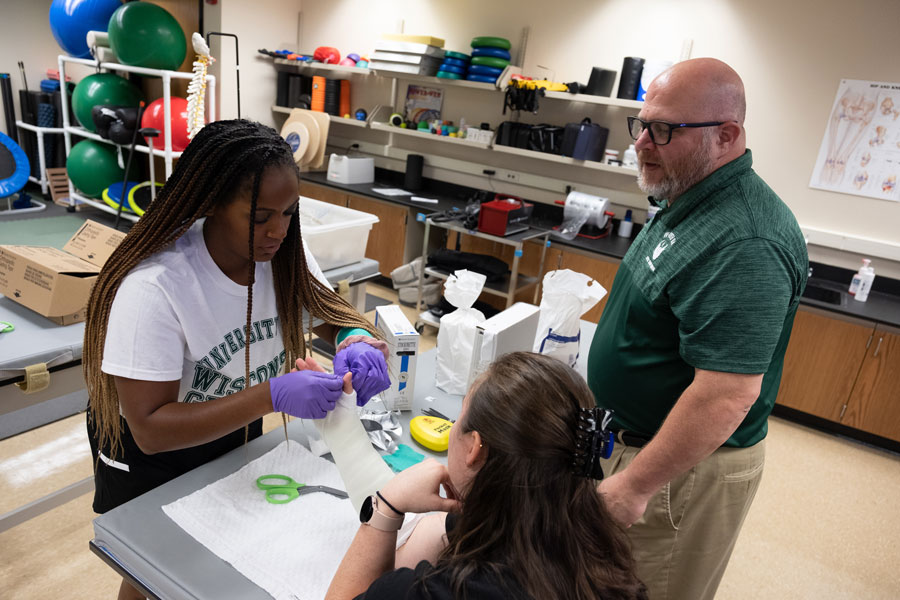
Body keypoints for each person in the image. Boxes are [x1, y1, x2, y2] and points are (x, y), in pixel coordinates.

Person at [82, 119, 390, 600]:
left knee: (215, 558)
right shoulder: (155, 288)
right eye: (260, 216)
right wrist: (270, 395)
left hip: (234, 419)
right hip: (149, 451)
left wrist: (354, 336)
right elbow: (151, 428)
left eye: (289, 212)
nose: (278, 230)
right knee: (150, 567)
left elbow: (325, 307)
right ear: (211, 204)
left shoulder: (283, 250)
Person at [586, 58, 809, 600]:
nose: (642, 143)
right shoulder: (685, 197)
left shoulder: (745, 241)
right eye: (641, 125)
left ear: (726, 136)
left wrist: (636, 485)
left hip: (677, 473)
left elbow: (727, 394)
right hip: (635, 444)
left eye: (665, 130)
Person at [324, 351, 648, 600]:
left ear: (475, 448)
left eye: (458, 416)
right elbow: (439, 531)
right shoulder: (601, 551)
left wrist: (386, 506)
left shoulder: (437, 592)